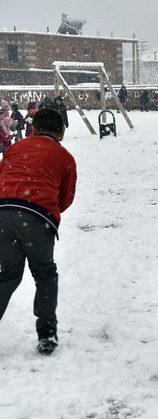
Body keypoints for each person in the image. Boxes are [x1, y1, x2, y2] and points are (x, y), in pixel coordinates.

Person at [0, 109, 77, 355]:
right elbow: (65, 198)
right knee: (44, 274)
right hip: (38, 216)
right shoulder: (64, 157)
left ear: (33, 128)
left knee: (8, 275)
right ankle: (47, 333)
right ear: (62, 133)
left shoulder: (15, 149)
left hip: (2, 212)